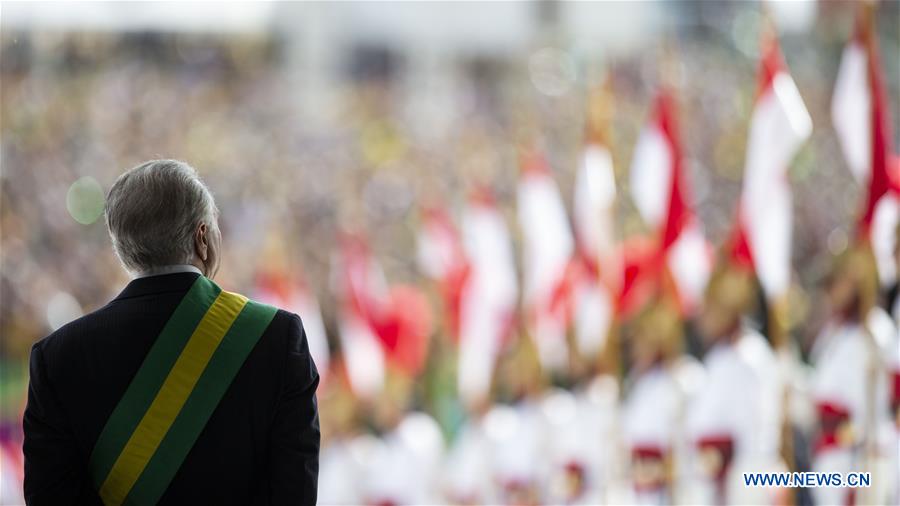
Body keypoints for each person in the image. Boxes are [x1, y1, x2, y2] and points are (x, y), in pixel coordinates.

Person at [22, 160, 320, 505]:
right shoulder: (276, 336)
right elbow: (294, 494)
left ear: (122, 250)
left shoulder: (57, 356)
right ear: (203, 238)